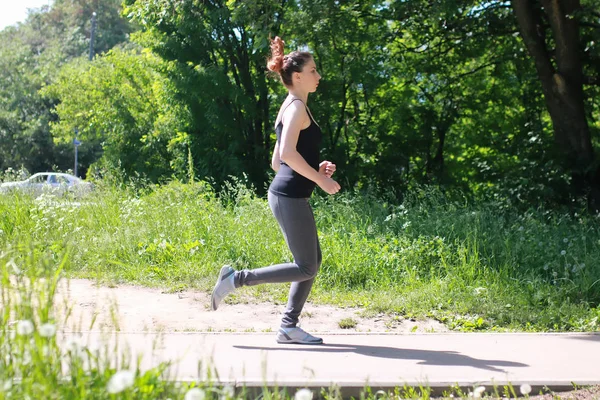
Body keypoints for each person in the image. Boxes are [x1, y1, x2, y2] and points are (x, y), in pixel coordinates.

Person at [210, 36, 341, 345]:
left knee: (310, 264)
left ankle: (288, 326)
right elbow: (288, 157)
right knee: (306, 265)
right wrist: (319, 180)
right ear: (297, 76)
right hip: (289, 196)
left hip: (290, 194)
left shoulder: (291, 107)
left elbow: (276, 161)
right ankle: (236, 280)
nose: (318, 76)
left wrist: (315, 169)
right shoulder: (296, 108)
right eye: (313, 70)